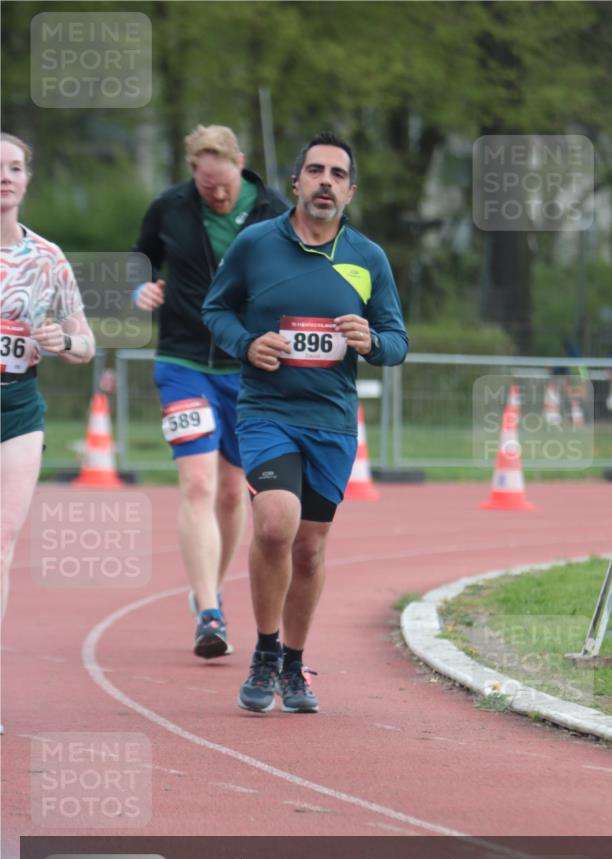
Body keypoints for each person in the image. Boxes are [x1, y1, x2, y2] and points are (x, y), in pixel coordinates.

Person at [203, 131, 408, 714]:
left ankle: (294, 663)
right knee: (274, 524)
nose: (325, 181)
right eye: (315, 171)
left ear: (350, 190)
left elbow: (397, 340)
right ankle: (265, 653)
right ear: (296, 183)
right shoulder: (255, 245)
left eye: (337, 174)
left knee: (310, 550)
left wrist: (372, 341)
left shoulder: (368, 259)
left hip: (332, 421)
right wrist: (247, 343)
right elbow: (216, 308)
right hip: (267, 410)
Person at [132, 125, 288, 659]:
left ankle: (209, 590)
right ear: (192, 172)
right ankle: (209, 610)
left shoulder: (273, 209)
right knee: (197, 483)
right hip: (182, 360)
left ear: (240, 165)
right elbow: (142, 259)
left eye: (223, 186)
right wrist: (141, 287)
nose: (216, 196)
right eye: (206, 186)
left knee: (230, 490)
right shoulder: (169, 207)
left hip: (247, 365)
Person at [1, 133, 95, 735]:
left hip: (17, 409)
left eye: (13, 168)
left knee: (2, 544)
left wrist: (67, 344)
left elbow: (85, 340)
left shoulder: (47, 258)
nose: (4, 177)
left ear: (27, 179)